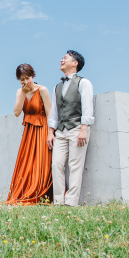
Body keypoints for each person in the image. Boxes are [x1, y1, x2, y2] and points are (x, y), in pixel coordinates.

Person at [47, 50, 94, 206]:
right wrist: (50, 132)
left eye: (65, 58)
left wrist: (84, 129)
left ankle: (71, 202)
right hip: (60, 131)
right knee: (57, 164)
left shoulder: (84, 83)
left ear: (75, 63)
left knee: (75, 165)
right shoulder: (57, 87)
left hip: (77, 129)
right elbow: (54, 111)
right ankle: (59, 201)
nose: (61, 60)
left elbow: (87, 107)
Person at [5, 63, 53, 205]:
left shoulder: (42, 90)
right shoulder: (20, 92)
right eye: (21, 79)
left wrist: (51, 133)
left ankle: (41, 195)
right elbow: (16, 112)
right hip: (29, 131)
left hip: (43, 128)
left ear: (33, 76)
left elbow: (50, 113)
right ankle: (25, 192)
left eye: (27, 78)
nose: (25, 82)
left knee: (42, 162)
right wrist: (24, 93)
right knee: (27, 163)